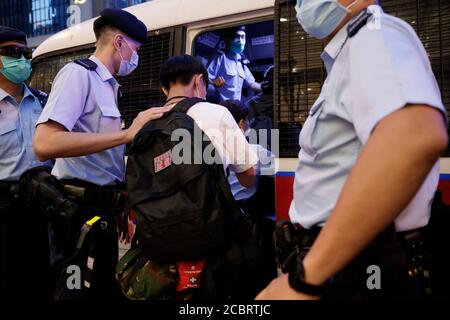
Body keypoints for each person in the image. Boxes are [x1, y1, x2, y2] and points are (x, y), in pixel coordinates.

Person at [257, 0, 448, 300]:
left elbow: (412, 137)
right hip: (350, 262)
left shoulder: (372, 34)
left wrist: (306, 281)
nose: (300, 4)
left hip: (360, 267)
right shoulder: (351, 52)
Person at [32, 8, 170, 299]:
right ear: (119, 42)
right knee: (76, 293)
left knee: (101, 290)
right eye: (136, 49)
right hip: (77, 211)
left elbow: (100, 153)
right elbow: (45, 144)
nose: (136, 58)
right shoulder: (77, 75)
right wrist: (127, 133)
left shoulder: (108, 86)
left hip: (102, 208)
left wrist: (117, 199)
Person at [0, 26, 53, 299]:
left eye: (25, 53)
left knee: (45, 282)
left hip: (45, 209)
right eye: (11, 53)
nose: (20, 59)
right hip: (5, 212)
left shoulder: (45, 103)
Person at [219, 99, 277, 289]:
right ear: (242, 123)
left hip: (217, 221)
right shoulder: (257, 151)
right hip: (244, 222)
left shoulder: (209, 153)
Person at [207, 26, 262, 102]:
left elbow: (252, 84)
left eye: (242, 37)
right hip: (221, 105)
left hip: (236, 106)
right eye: (236, 37)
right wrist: (213, 82)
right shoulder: (221, 57)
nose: (240, 40)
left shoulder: (242, 62)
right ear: (228, 40)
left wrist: (268, 88)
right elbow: (205, 78)